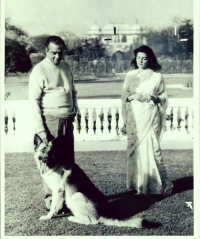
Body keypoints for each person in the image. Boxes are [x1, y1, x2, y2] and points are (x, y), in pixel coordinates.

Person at [29, 35, 78, 209]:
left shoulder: (66, 66)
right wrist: (42, 131)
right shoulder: (39, 70)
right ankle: (51, 202)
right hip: (50, 120)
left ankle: (68, 199)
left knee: (67, 162)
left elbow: (72, 90)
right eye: (53, 53)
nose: (57, 57)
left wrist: (75, 110)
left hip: (67, 119)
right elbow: (33, 102)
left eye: (60, 53)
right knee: (51, 163)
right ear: (46, 51)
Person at [121, 45, 173, 197]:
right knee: (135, 150)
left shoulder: (157, 76)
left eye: (144, 58)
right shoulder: (130, 75)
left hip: (150, 117)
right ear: (135, 58)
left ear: (150, 59)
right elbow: (124, 96)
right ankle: (137, 185)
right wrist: (132, 96)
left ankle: (159, 185)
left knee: (153, 149)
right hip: (134, 117)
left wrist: (154, 97)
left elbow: (164, 97)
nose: (141, 61)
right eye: (138, 58)